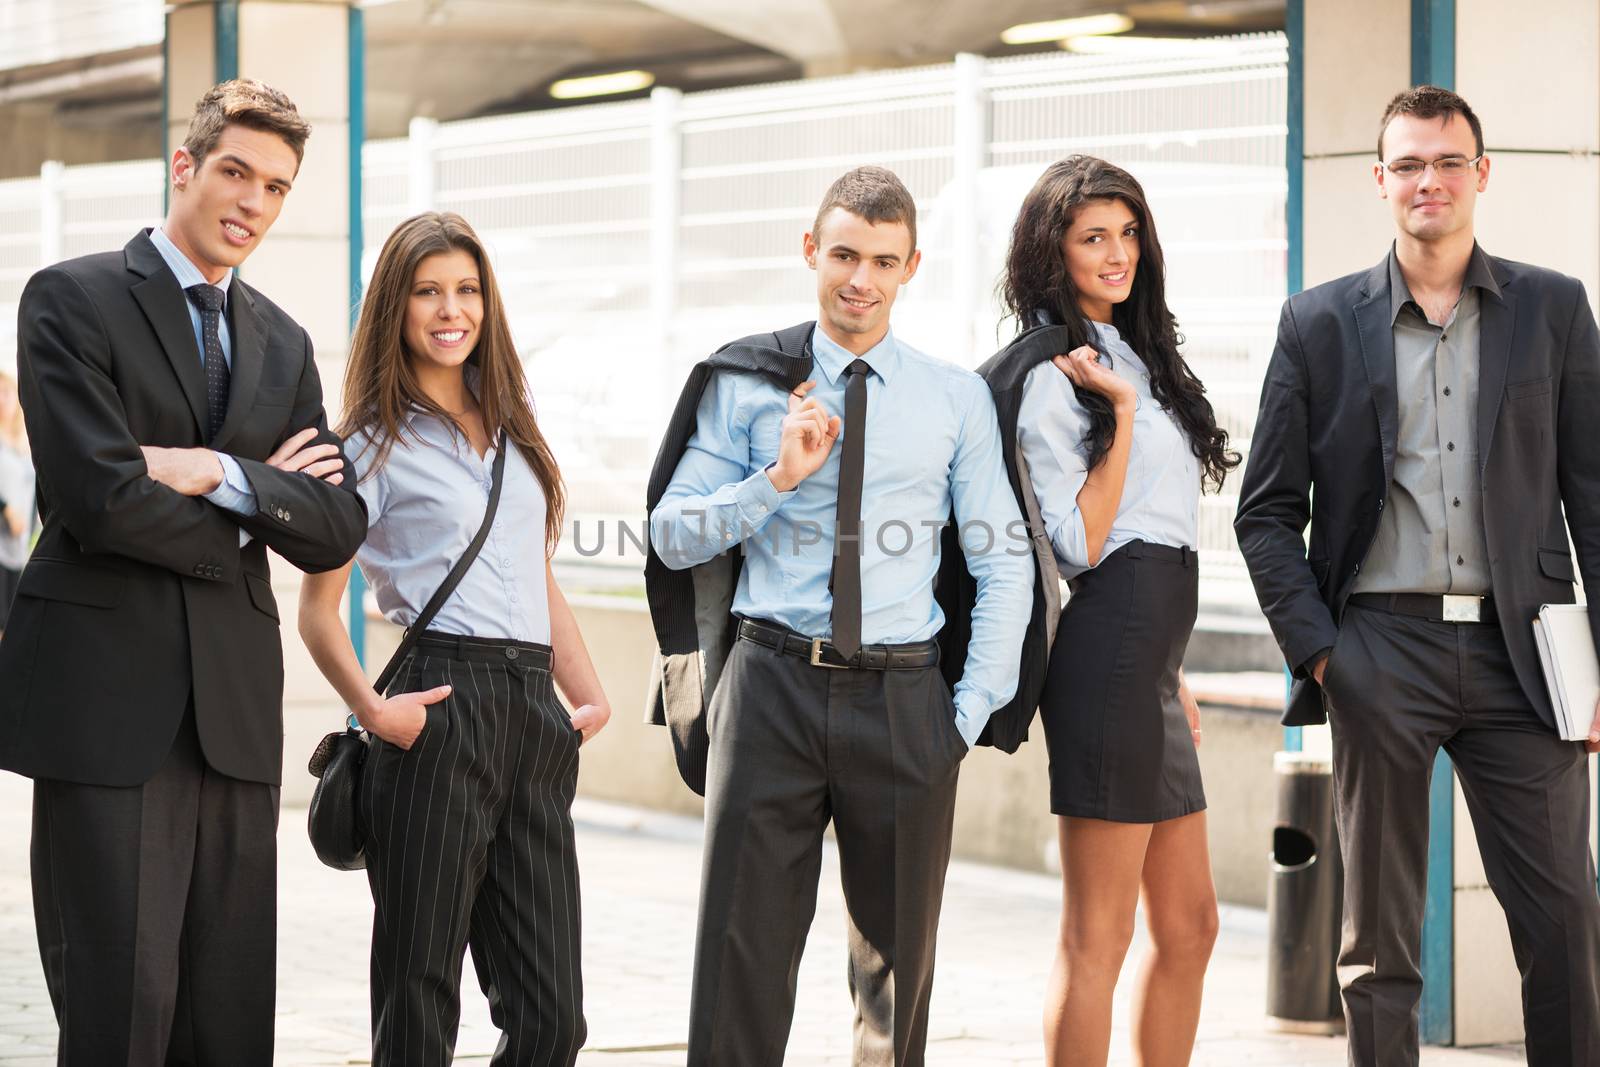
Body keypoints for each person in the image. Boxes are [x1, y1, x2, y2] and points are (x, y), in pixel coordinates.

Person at [0, 79, 367, 1064]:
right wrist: (258, 508)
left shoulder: (283, 343)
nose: (252, 201)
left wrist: (216, 471)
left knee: (229, 1012)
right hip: (107, 709)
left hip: (234, 718)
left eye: (276, 187)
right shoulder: (71, 299)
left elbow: (334, 524)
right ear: (185, 165)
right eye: (236, 172)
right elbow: (98, 497)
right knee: (121, 1006)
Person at [1234, 85, 1600, 1066]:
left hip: (1523, 655)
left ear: (1480, 173)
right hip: (1378, 650)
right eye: (1407, 163)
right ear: (1379, 179)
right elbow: (1265, 511)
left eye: (1446, 161)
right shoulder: (1317, 323)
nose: (1426, 180)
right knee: (1379, 944)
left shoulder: (1552, 309)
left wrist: (1599, 664)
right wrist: (1321, 655)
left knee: (1565, 918)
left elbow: (1594, 498)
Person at [647, 165, 1033, 1066]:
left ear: (911, 267)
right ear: (811, 249)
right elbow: (671, 535)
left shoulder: (953, 398)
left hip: (906, 699)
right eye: (846, 254)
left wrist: (963, 717)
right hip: (770, 684)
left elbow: (1002, 562)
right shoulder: (746, 382)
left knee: (897, 983)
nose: (861, 278)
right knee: (739, 957)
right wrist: (775, 479)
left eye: (883, 260)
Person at [297, 211, 610, 1067]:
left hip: (532, 714)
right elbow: (318, 609)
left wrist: (585, 692)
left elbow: (531, 572)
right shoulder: (366, 442)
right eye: (428, 290)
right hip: (435, 709)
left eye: (466, 289)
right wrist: (372, 709)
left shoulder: (513, 422)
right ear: (395, 305)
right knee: (418, 998)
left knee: (553, 1019)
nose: (450, 308)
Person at [994, 155, 1234, 1067]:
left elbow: (1160, 532)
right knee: (1098, 935)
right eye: (1094, 236)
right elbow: (1085, 546)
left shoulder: (1134, 352)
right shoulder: (1056, 373)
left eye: (1128, 232)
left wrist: (1171, 671)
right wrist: (1124, 418)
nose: (1117, 252)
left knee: (1193, 923)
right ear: (1052, 252)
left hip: (1151, 658)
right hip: (1108, 651)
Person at [0, 368, 34, 635]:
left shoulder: (23, 443)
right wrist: (6, 509)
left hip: (19, 548)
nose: (3, 399)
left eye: (7, 392)